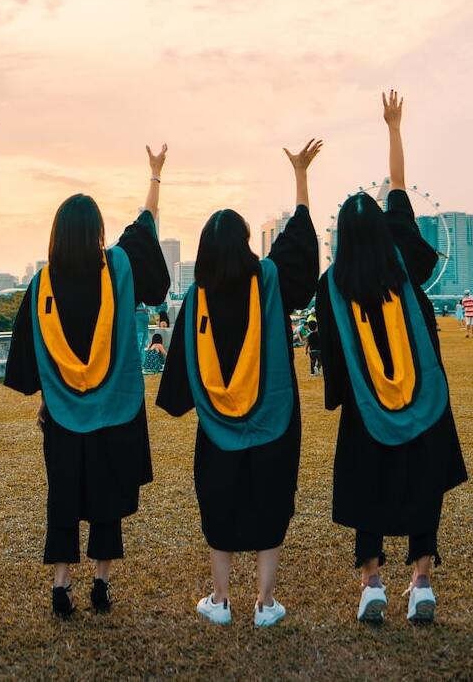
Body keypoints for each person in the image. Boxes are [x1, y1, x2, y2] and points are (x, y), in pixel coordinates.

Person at [314, 92, 467, 625]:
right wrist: (394, 127)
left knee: (368, 491)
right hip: (424, 400)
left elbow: (329, 353)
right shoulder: (403, 260)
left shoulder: (330, 286)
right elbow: (399, 188)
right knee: (423, 485)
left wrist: (343, 393)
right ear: (381, 230)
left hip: (366, 409)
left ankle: (371, 583)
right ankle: (421, 582)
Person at [156, 138, 322, 628]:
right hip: (275, 419)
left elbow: (180, 378)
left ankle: (221, 598)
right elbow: (302, 252)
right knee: (272, 502)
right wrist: (301, 177)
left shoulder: (196, 299)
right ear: (248, 244)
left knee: (220, 504)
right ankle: (266, 604)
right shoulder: (269, 277)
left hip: (217, 431)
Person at [4, 144, 172, 620]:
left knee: (63, 497)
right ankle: (100, 584)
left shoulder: (42, 287)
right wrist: (154, 176)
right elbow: (145, 228)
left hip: (63, 416)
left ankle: (61, 587)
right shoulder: (118, 266)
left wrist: (48, 397)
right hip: (114, 412)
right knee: (105, 498)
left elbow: (28, 356)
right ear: (98, 232)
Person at [302, 311, 322, 377]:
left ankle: (312, 372)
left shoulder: (308, 336)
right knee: (320, 361)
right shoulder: (319, 334)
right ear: (316, 326)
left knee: (312, 362)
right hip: (319, 351)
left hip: (312, 352)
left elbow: (307, 343)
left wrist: (306, 350)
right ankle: (317, 367)